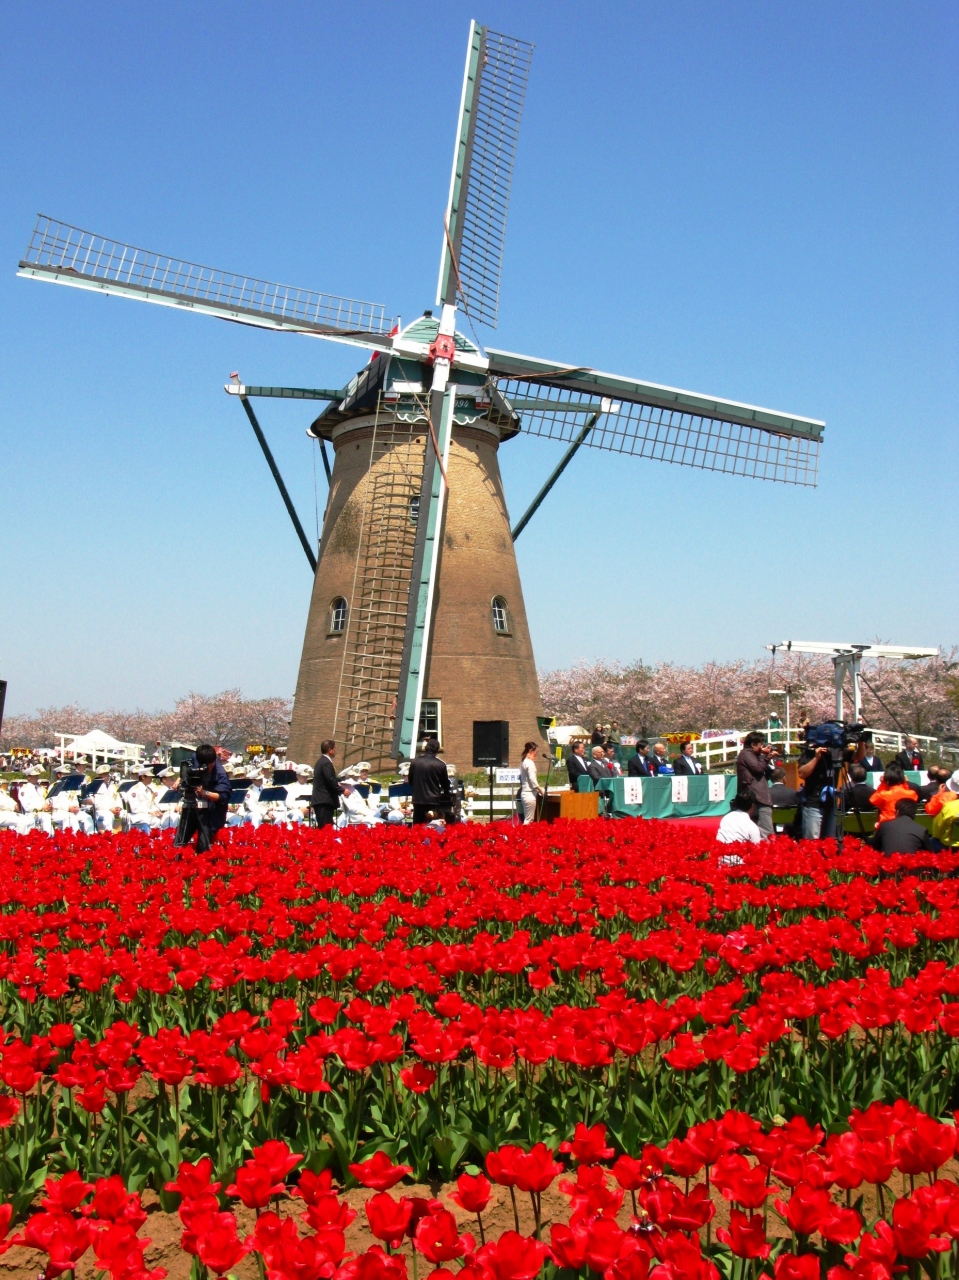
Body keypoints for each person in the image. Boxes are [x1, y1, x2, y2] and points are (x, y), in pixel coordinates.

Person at [172, 743, 232, 851]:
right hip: (191, 805)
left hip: (209, 811)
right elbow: (186, 769)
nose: (209, 767)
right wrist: (180, 779)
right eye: (205, 765)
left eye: (211, 764)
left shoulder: (220, 773)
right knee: (180, 841)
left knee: (203, 845)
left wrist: (204, 793)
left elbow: (223, 797)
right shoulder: (196, 758)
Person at [733, 733, 773, 834]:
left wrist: (764, 756)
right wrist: (766, 757)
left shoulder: (755, 755)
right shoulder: (746, 754)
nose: (762, 747)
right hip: (756, 797)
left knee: (763, 830)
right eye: (761, 745)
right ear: (753, 744)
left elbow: (767, 773)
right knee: (766, 831)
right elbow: (758, 768)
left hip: (758, 796)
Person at [797, 740, 835, 840]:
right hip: (814, 802)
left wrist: (861, 741)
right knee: (812, 840)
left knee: (830, 841)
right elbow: (801, 773)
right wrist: (816, 758)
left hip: (831, 803)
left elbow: (857, 757)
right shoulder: (810, 752)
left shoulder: (836, 751)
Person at [408, 738, 452, 824]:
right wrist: (446, 791)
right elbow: (445, 784)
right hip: (433, 800)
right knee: (433, 825)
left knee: (418, 826)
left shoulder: (415, 762)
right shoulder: (440, 764)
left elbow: (411, 780)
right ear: (437, 750)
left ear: (426, 748)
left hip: (418, 799)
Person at [873, 798, 937, 854]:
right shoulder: (921, 830)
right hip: (912, 866)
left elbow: (874, 847)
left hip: (888, 866)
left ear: (897, 812)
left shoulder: (884, 826)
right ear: (914, 814)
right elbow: (930, 853)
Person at [869, 764, 918, 828]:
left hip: (887, 826)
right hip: (905, 825)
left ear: (887, 780)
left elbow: (873, 800)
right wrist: (905, 783)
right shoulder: (912, 794)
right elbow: (909, 795)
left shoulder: (884, 794)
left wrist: (883, 784)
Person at [310, 740, 342, 828]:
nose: (335, 751)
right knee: (325, 828)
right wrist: (342, 790)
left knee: (325, 827)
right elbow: (330, 780)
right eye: (334, 749)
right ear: (330, 750)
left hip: (322, 801)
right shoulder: (326, 763)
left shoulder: (321, 761)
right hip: (324, 801)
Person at [18, 768, 54, 835]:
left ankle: (51, 837)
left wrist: (48, 805)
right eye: (35, 776)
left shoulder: (40, 788)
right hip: (32, 813)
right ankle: (48, 837)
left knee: (47, 816)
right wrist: (41, 807)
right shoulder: (24, 790)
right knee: (46, 817)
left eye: (37, 776)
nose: (37, 778)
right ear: (28, 777)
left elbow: (44, 799)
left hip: (43, 812)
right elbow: (27, 806)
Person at [519, 741, 544, 824]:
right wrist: (541, 790)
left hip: (525, 793)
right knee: (529, 819)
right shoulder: (529, 763)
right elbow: (532, 779)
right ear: (531, 751)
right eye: (536, 752)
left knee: (528, 818)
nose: (536, 754)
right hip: (529, 794)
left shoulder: (523, 762)